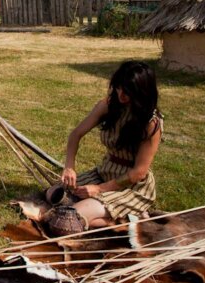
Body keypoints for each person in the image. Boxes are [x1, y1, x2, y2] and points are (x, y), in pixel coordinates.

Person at [60, 60, 163, 229]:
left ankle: (130, 220)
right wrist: (69, 166)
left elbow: (138, 173)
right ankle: (111, 216)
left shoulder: (151, 123)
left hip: (131, 186)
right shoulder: (109, 104)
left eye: (128, 92)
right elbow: (76, 134)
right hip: (105, 172)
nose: (121, 94)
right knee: (53, 196)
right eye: (118, 87)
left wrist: (99, 189)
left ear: (142, 93)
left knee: (67, 220)